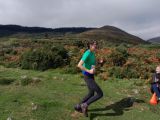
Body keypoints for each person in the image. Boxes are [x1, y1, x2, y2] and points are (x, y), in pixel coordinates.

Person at [74, 40, 103, 117]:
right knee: (100, 94)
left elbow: (92, 63)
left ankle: (78, 106)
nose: (96, 45)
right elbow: (79, 65)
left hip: (91, 76)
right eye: (94, 44)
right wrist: (89, 71)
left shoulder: (92, 53)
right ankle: (85, 105)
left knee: (91, 93)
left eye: (96, 44)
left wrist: (99, 62)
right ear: (90, 45)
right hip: (87, 76)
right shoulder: (87, 53)